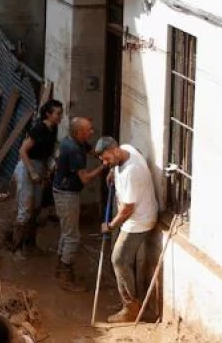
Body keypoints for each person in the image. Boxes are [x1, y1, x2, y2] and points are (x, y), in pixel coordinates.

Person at [95, 136, 158, 323]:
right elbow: (132, 154)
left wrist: (110, 226)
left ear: (115, 151)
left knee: (119, 259)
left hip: (138, 221)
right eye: (103, 161)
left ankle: (130, 308)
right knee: (122, 259)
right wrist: (113, 171)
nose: (105, 163)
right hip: (135, 216)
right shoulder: (126, 149)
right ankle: (131, 301)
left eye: (107, 159)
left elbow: (127, 209)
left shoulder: (131, 172)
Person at [51, 117, 105, 292]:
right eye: (89, 130)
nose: (92, 132)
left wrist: (105, 153)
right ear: (79, 132)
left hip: (63, 191)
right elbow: (85, 178)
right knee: (73, 237)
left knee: (66, 233)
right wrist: (104, 167)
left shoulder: (75, 142)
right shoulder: (74, 149)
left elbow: (93, 151)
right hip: (67, 194)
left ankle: (60, 269)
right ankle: (65, 278)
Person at [11, 99, 62, 256]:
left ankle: (30, 243)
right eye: (58, 113)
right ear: (48, 114)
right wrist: (32, 171)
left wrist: (47, 170)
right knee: (25, 207)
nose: (60, 116)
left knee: (36, 207)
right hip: (28, 166)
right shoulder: (39, 129)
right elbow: (22, 151)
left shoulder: (53, 129)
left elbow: (48, 152)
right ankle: (17, 248)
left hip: (40, 166)